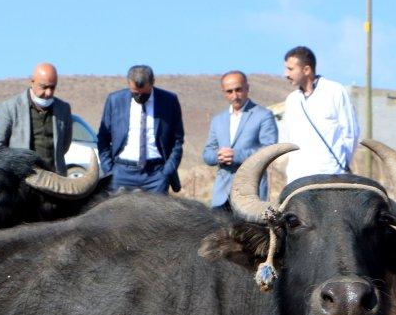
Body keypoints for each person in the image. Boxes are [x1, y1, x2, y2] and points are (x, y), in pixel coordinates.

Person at [96, 64, 184, 194]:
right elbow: (103, 138)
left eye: (144, 93)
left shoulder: (169, 101)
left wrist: (166, 172)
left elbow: (177, 140)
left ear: (153, 82)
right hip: (121, 174)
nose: (139, 97)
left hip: (156, 176)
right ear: (129, 84)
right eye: (135, 93)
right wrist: (109, 169)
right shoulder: (115, 101)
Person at [280, 46, 359, 183]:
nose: (285, 74)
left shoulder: (334, 91)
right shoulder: (292, 100)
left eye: (290, 69)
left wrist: (340, 165)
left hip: (330, 175)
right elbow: (286, 139)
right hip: (297, 178)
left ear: (306, 70)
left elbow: (350, 133)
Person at [202, 70, 278, 210]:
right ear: (224, 92)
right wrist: (219, 156)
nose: (235, 96)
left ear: (247, 88)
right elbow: (207, 154)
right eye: (229, 91)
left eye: (238, 90)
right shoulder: (218, 120)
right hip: (222, 196)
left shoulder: (264, 115)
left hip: (251, 195)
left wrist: (236, 155)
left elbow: (270, 150)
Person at [0, 62, 74, 174]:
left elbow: (64, 145)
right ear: (32, 81)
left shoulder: (63, 109)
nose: (48, 92)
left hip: (54, 178)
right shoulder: (10, 107)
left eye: (52, 87)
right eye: (44, 87)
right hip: (21, 178)